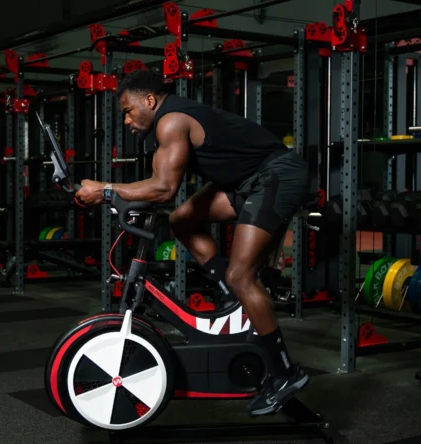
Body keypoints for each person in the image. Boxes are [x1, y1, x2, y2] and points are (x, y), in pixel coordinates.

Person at [75, 69, 311, 417]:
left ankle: (285, 374)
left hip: (276, 174)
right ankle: (235, 299)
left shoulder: (171, 122)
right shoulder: (164, 132)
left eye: (128, 109)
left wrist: (105, 189)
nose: (125, 119)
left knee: (240, 275)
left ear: (150, 101)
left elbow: (164, 188)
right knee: (181, 220)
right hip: (246, 179)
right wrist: (111, 195)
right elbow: (156, 190)